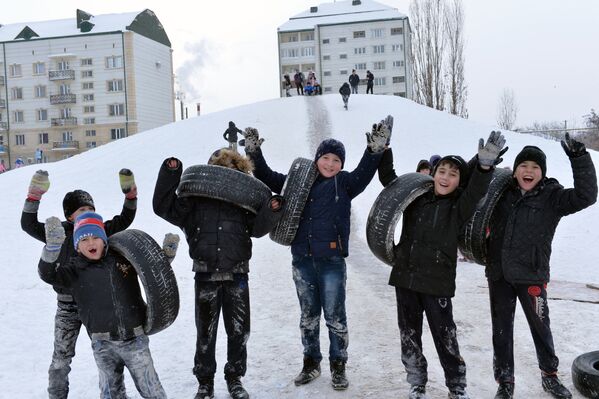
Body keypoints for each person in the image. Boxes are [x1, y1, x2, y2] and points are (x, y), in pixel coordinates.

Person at [241, 117, 392, 390]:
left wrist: (375, 150)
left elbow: (364, 172)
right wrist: (253, 153)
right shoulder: (298, 181)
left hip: (332, 261)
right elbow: (267, 175)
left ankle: (338, 366)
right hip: (302, 259)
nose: (330, 164)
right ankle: (311, 363)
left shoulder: (345, 184)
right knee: (308, 316)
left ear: (341, 165)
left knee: (335, 316)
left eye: (336, 160)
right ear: (317, 158)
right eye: (326, 158)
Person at [377, 131, 506, 399]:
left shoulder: (459, 207)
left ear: (459, 182)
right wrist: (384, 150)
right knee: (409, 335)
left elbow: (478, 189)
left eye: (453, 174)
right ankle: (416, 382)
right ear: (433, 174)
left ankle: (456, 387)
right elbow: (390, 182)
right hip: (406, 278)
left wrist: (483, 167)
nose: (445, 177)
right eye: (442, 171)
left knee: (445, 337)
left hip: (437, 284)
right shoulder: (416, 198)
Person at [153, 148, 284, 399]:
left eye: (233, 171)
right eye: (222, 170)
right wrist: (171, 173)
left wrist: (273, 210)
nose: (226, 178)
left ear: (240, 174)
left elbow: (257, 229)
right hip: (206, 273)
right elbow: (164, 207)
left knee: (238, 331)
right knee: (206, 332)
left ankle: (235, 378)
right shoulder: (194, 200)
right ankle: (205, 382)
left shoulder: (244, 203)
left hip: (237, 274)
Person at [485, 134, 597, 399]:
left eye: (535, 167)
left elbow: (586, 196)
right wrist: (485, 164)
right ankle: (505, 382)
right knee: (501, 330)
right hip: (499, 273)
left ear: (542, 173)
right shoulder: (500, 193)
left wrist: (580, 159)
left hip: (531, 275)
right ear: (514, 171)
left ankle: (549, 376)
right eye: (523, 165)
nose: (529, 171)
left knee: (541, 327)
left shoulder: (552, 196)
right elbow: (470, 190)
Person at [21, 169, 138, 399]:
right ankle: (57, 395)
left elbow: (125, 220)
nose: (88, 214)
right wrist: (34, 197)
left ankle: (115, 394)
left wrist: (130, 197)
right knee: (61, 357)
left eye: (91, 210)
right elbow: (28, 224)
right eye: (82, 210)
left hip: (96, 304)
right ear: (70, 217)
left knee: (108, 353)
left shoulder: (98, 231)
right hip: (67, 306)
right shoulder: (58, 233)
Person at [38, 212, 176, 398]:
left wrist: (165, 257)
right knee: (111, 392)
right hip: (102, 344)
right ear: (77, 246)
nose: (91, 243)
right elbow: (48, 275)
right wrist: (52, 248)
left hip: (134, 339)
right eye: (84, 239)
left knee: (151, 388)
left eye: (96, 237)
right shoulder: (74, 271)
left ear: (104, 240)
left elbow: (151, 272)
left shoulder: (122, 259)